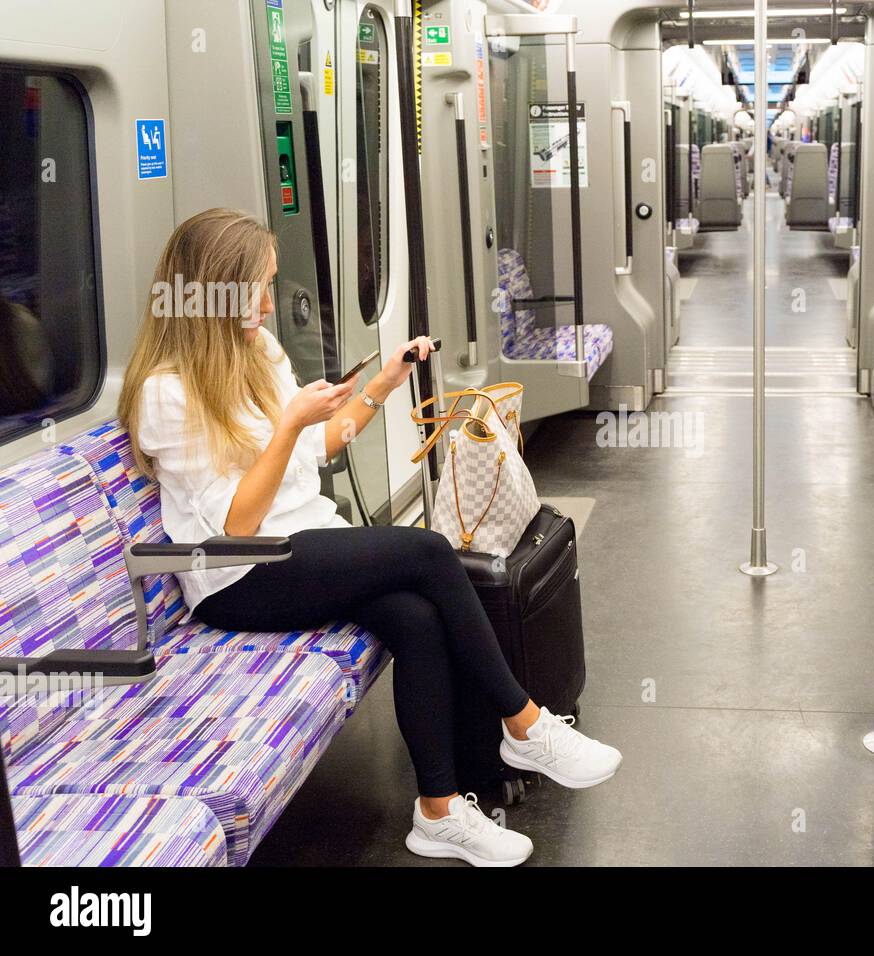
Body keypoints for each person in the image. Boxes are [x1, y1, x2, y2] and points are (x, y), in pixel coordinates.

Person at [118, 208, 621, 867]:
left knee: (414, 618)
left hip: (302, 543)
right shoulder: (168, 394)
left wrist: (381, 384)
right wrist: (291, 423)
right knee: (428, 551)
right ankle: (523, 722)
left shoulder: (259, 352)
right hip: (236, 574)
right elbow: (237, 525)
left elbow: (319, 449)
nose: (270, 304)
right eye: (259, 288)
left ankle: (438, 813)